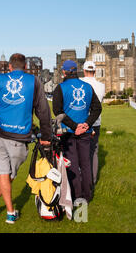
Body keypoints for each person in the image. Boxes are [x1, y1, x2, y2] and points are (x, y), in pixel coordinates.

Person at [0, 53, 52, 224]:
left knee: (4, 174)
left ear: (9, 66)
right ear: (25, 66)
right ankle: (10, 212)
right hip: (19, 138)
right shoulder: (34, 81)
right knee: (8, 175)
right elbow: (43, 111)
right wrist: (46, 136)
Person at [52, 60, 102, 203]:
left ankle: (77, 195)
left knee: (72, 164)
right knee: (86, 163)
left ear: (63, 72)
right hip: (85, 132)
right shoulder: (87, 87)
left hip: (68, 132)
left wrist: (75, 126)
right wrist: (86, 124)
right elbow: (97, 108)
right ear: (77, 71)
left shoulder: (60, 88)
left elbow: (57, 111)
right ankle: (88, 195)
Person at [80, 61, 105, 186]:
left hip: (82, 123)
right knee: (93, 152)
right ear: (95, 71)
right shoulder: (101, 86)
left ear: (84, 71)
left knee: (81, 152)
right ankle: (92, 181)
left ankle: (82, 180)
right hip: (96, 122)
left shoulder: (80, 83)